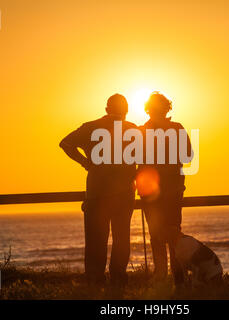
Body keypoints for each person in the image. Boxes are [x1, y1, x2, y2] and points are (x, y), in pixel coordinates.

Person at [59, 94, 137, 287]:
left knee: (96, 239)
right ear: (125, 110)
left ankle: (94, 280)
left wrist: (85, 162)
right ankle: (118, 278)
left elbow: (65, 143)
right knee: (121, 238)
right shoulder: (133, 130)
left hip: (97, 193)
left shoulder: (90, 127)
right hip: (124, 193)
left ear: (106, 109)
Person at [136, 92, 192, 287]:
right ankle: (179, 277)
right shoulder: (177, 129)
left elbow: (133, 158)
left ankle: (161, 274)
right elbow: (187, 156)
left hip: (150, 191)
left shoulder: (141, 131)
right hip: (173, 189)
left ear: (148, 109)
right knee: (174, 232)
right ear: (166, 108)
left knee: (155, 234)